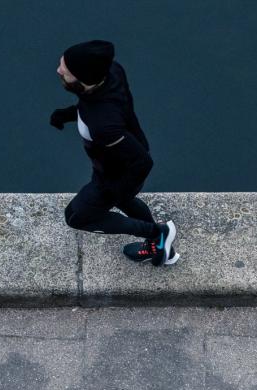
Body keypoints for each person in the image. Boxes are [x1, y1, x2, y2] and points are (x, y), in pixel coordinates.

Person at [51, 39, 179, 266]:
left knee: (76, 217)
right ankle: (161, 249)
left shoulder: (103, 126)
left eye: (66, 71)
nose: (59, 70)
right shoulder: (110, 71)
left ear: (84, 82)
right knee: (126, 202)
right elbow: (93, 104)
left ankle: (158, 233)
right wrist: (69, 114)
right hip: (110, 160)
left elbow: (142, 163)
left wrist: (117, 191)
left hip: (115, 174)